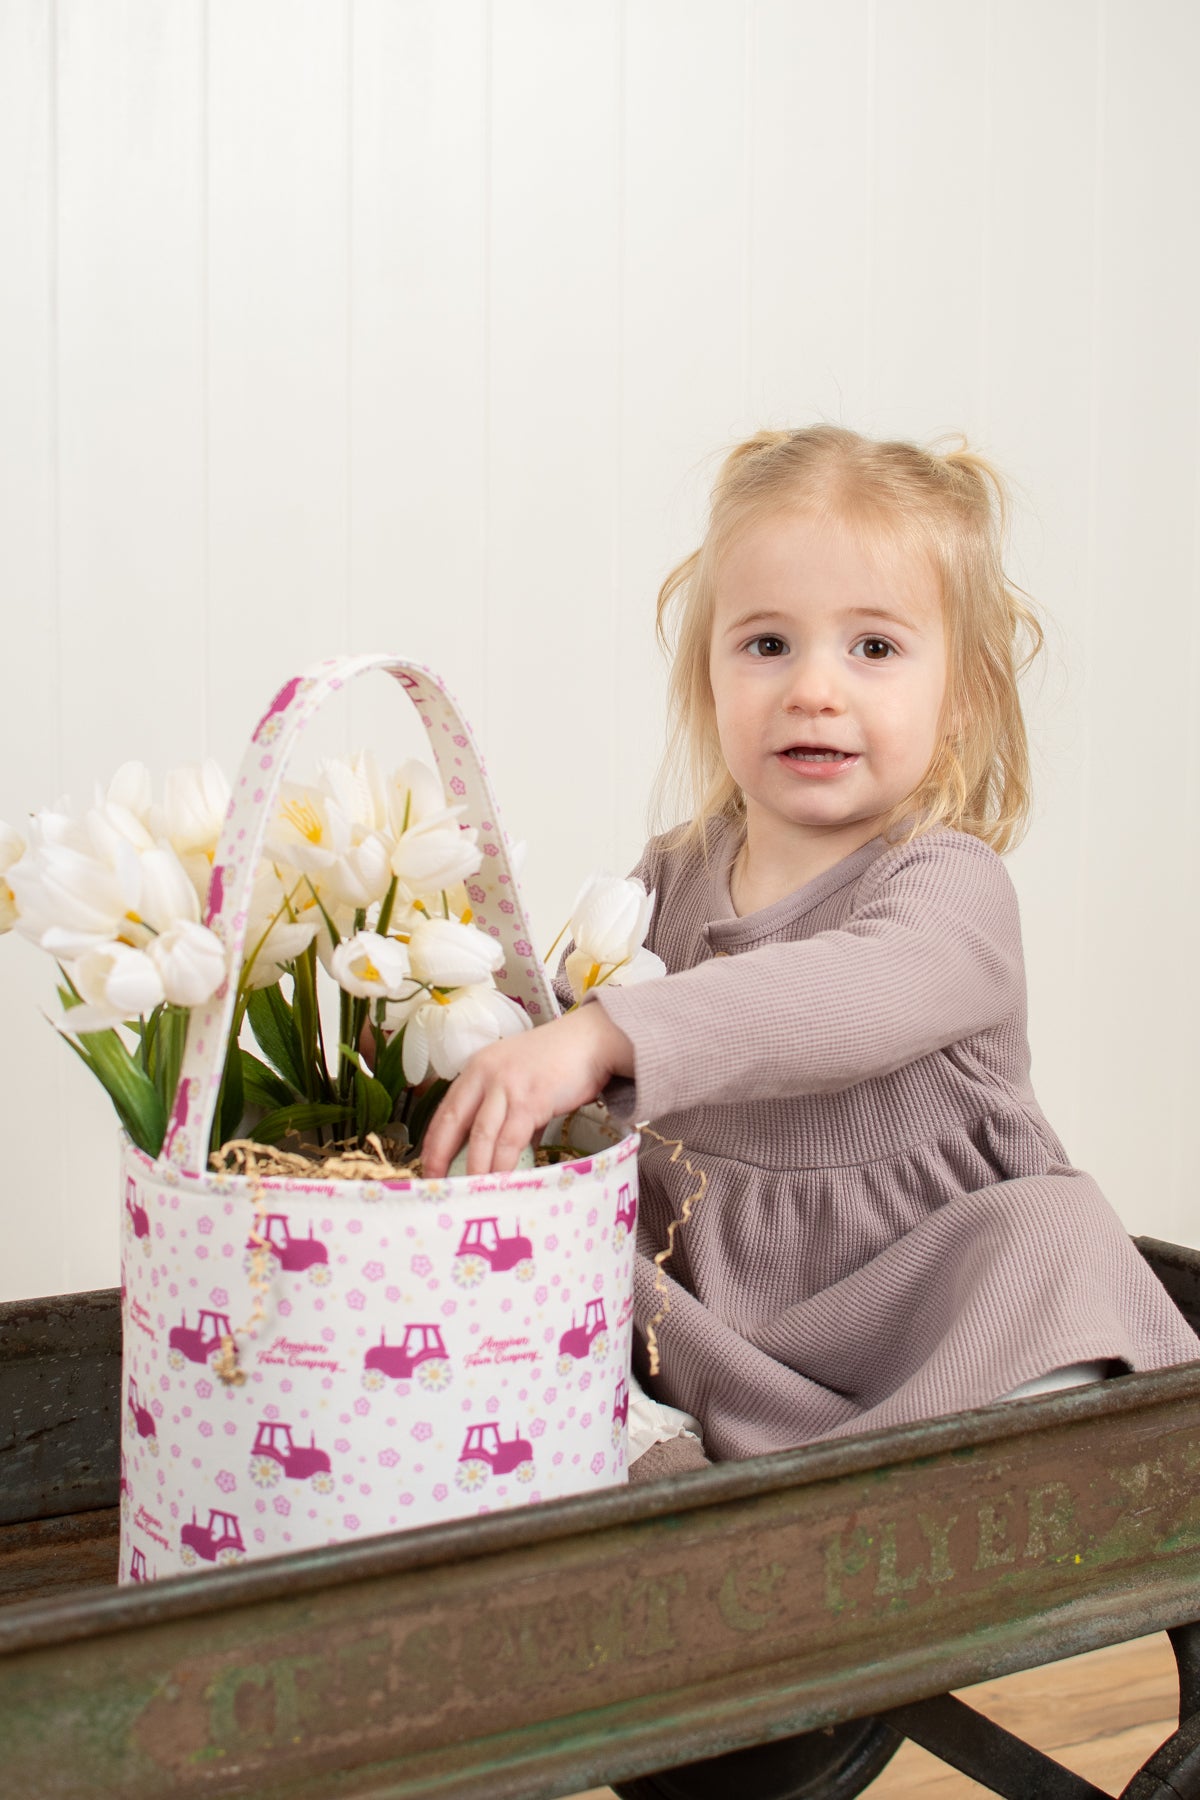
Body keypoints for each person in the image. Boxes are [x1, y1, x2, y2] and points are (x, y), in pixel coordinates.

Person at [421, 424, 1199, 1481]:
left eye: (873, 648)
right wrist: (488, 1029)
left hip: (919, 1327)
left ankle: (990, 1453)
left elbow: (844, 995)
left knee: (1049, 1238)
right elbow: (564, 1030)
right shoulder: (672, 876)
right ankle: (673, 1477)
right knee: (572, 1272)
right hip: (720, 1335)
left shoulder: (947, 885)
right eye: (767, 644)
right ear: (709, 676)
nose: (814, 690)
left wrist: (609, 1034)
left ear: (960, 695)